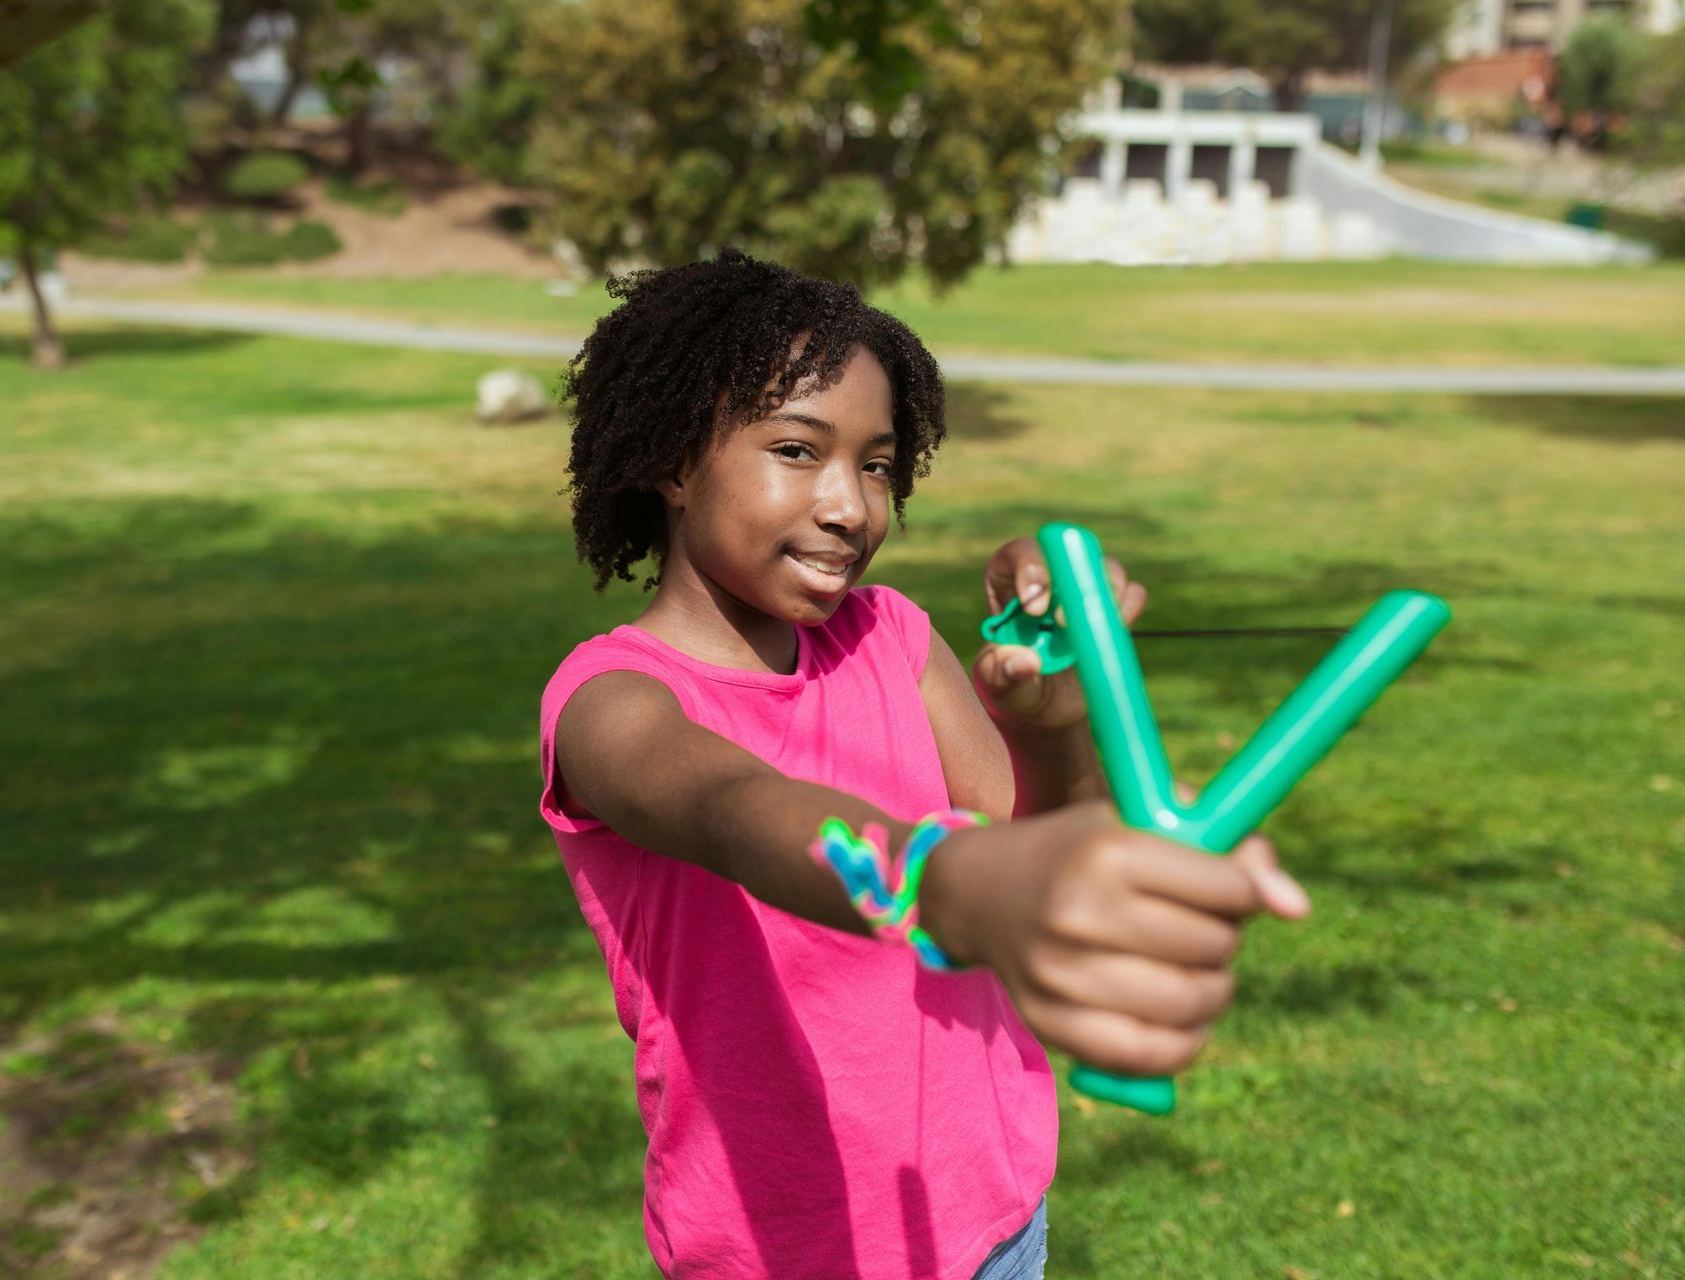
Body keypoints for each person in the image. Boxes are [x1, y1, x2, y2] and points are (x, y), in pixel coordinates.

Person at [537, 250, 1311, 1279]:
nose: (851, 506)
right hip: (787, 1251)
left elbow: (1024, 829)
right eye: (799, 449)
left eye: (876, 462)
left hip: (991, 1211)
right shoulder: (611, 704)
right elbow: (742, 808)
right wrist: (956, 881)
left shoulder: (889, 634)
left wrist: (1051, 715)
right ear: (676, 458)